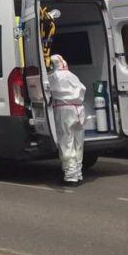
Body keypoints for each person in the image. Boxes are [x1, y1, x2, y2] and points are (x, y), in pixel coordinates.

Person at [48, 54, 87, 186]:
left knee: (66, 141)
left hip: (64, 110)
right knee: (78, 143)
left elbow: (46, 91)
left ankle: (70, 177)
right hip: (79, 109)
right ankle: (78, 173)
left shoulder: (54, 77)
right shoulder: (73, 75)